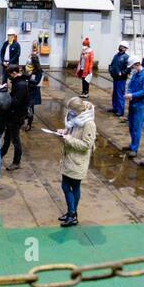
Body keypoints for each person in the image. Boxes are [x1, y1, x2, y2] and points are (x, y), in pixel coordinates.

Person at [51, 96, 97, 227]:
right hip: (69, 157)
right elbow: (71, 131)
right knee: (65, 186)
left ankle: (72, 214)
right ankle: (71, 212)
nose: (69, 113)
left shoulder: (89, 124)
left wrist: (68, 139)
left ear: (78, 110)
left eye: (71, 110)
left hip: (78, 161)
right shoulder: (76, 119)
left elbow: (86, 145)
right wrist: (64, 132)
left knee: (72, 186)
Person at [1, 64, 32, 172]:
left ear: (14, 73)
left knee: (15, 139)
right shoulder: (18, 82)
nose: (9, 78)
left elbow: (16, 101)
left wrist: (5, 99)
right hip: (13, 115)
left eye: (9, 75)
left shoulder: (20, 84)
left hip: (17, 116)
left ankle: (16, 162)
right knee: (7, 138)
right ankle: (0, 155)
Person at [124, 56, 144, 160]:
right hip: (133, 103)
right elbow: (130, 84)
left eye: (132, 67)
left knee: (137, 127)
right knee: (131, 125)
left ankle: (134, 149)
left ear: (137, 64)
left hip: (140, 105)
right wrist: (129, 92)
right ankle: (132, 144)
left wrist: (132, 95)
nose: (131, 69)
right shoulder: (135, 74)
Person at [108, 41, 131, 118]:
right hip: (115, 78)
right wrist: (110, 70)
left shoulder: (126, 57)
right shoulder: (116, 55)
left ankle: (120, 111)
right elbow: (112, 64)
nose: (121, 48)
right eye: (121, 46)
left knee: (120, 94)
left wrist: (122, 73)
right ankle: (115, 108)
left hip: (121, 79)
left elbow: (128, 68)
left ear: (126, 49)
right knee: (114, 94)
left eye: (123, 47)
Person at [26, 48, 44, 131]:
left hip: (33, 91)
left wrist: (29, 77)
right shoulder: (28, 68)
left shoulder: (38, 71)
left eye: (30, 58)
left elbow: (36, 82)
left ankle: (29, 124)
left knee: (30, 108)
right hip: (26, 90)